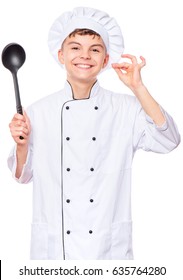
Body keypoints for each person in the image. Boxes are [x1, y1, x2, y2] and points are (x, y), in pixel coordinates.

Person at [8, 7, 180, 260]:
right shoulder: (37, 111)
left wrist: (137, 86)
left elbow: (169, 140)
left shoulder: (126, 108)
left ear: (106, 59)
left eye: (95, 49)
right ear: (61, 54)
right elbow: (23, 177)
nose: (85, 56)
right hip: (55, 251)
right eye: (75, 47)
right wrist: (21, 144)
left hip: (108, 250)